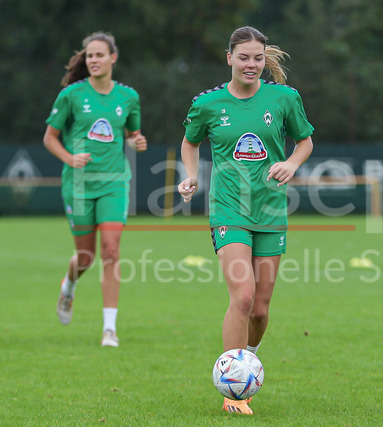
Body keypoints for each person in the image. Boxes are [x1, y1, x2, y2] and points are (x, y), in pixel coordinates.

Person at [177, 26, 314, 415]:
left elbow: (304, 141)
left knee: (260, 309)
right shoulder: (207, 103)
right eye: (243, 57)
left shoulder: (284, 98)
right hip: (229, 210)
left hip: (270, 211)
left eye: (257, 58)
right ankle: (232, 389)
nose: (251, 64)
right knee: (242, 296)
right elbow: (190, 142)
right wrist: (192, 176)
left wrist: (291, 163)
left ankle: (248, 360)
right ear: (230, 58)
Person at [43, 32, 147, 348]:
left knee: (111, 251)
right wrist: (69, 158)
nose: (93, 60)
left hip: (114, 183)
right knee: (86, 257)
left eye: (99, 55)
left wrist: (136, 141)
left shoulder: (128, 97)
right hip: (78, 185)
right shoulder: (71, 95)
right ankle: (69, 286)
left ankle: (109, 330)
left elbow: (132, 133)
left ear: (113, 58)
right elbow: (50, 137)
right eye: (89, 55)